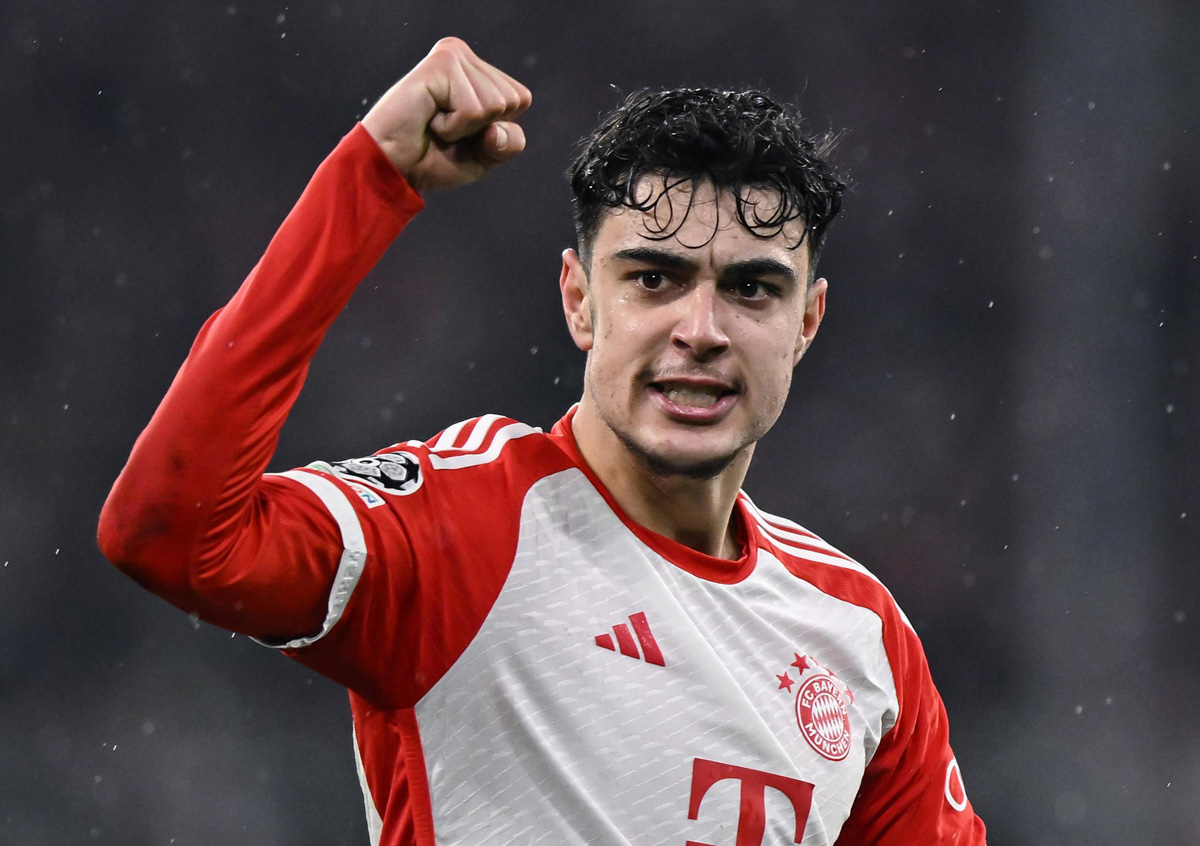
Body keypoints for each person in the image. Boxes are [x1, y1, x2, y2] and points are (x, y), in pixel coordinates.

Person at [98, 36, 986, 846]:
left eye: (752, 289)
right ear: (579, 301)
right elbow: (170, 536)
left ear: (807, 323)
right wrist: (368, 182)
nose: (702, 330)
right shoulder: (464, 524)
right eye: (654, 279)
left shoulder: (858, 633)